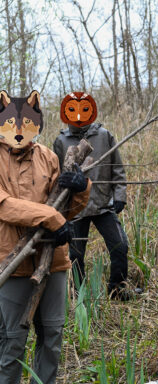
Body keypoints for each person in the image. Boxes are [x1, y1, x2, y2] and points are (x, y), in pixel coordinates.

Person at [0, 90, 91, 383]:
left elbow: (69, 210)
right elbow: (4, 205)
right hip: (11, 261)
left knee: (52, 335)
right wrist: (51, 218)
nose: (18, 131)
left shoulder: (50, 157)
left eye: (25, 123)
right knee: (12, 340)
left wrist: (81, 188)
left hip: (52, 261)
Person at [53, 92, 134, 300]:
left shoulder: (104, 135)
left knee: (119, 246)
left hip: (103, 204)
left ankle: (117, 290)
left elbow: (118, 168)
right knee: (76, 255)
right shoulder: (61, 140)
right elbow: (56, 175)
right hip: (75, 208)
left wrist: (120, 196)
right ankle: (77, 294)